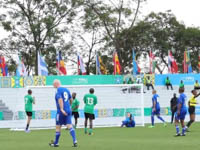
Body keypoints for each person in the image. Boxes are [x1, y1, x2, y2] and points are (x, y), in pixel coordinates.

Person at [49, 79, 77, 147]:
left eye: (53, 84)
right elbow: (71, 100)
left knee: (58, 127)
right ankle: (75, 140)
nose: (53, 85)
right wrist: (69, 106)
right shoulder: (66, 90)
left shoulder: (58, 90)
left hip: (61, 111)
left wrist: (61, 109)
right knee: (69, 125)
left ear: (56, 84)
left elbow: (60, 99)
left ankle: (56, 143)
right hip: (68, 110)